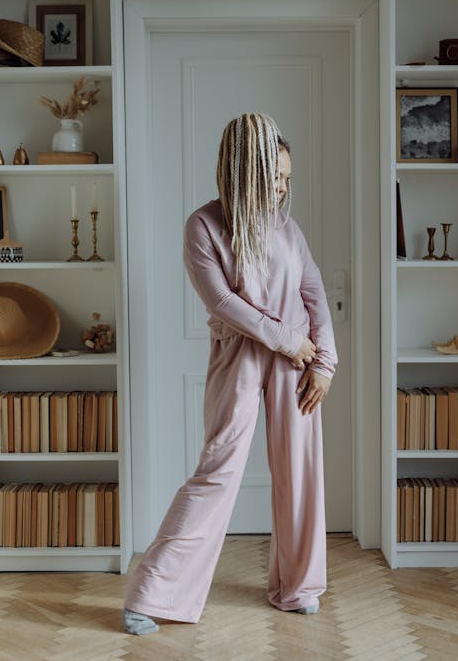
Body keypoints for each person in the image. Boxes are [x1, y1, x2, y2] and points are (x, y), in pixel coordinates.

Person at [123, 112, 337, 636]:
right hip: (243, 355)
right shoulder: (203, 225)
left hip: (299, 362)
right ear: (249, 171)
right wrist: (291, 341)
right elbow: (222, 301)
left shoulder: (288, 227)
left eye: (289, 178)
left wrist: (325, 363)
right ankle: (151, 594)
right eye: (278, 177)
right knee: (217, 471)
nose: (286, 188)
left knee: (300, 470)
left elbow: (314, 294)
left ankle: (298, 587)